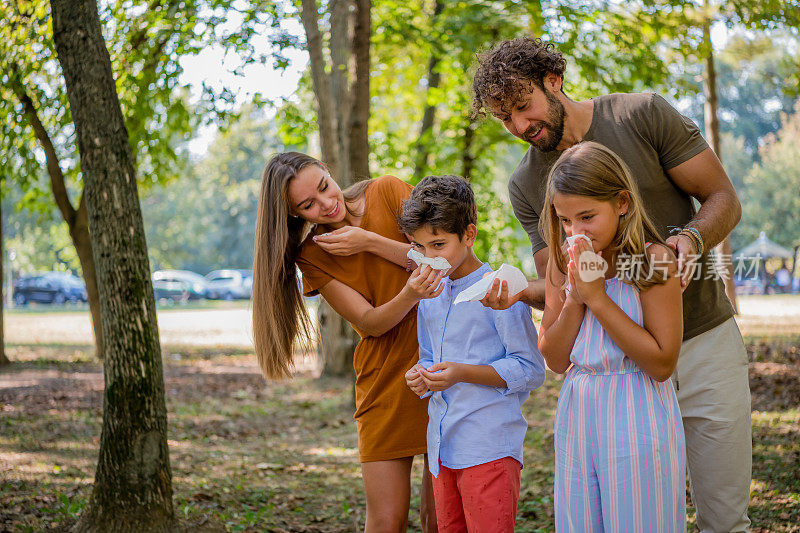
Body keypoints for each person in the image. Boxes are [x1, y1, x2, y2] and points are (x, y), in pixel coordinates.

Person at [472, 37, 752, 532]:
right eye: (505, 118)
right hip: (616, 380)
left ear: (553, 82)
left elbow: (723, 197)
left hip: (702, 340)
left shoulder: (640, 114)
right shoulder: (526, 184)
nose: (519, 126)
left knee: (724, 518)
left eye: (523, 106)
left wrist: (687, 241)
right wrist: (517, 293)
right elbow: (559, 284)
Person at [252, 152, 442, 532]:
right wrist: (410, 294)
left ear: (327, 169)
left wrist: (369, 241)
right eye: (308, 204)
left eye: (324, 186)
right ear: (294, 214)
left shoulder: (388, 192)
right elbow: (371, 323)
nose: (326, 203)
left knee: (441, 518)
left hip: (445, 368)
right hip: (385, 380)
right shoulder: (313, 255)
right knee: (386, 521)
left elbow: (442, 257)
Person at [538, 141, 685, 530]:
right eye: (565, 220)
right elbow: (554, 359)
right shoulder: (561, 259)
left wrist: (597, 298)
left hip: (636, 409)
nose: (574, 232)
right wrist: (575, 297)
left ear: (622, 202)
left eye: (586, 216)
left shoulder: (653, 261)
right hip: (579, 409)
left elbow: (661, 363)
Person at [399, 175, 546, 532]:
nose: (429, 258)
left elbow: (530, 369)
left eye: (438, 245)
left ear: (469, 235)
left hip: (489, 446)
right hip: (442, 446)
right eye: (420, 247)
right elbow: (430, 355)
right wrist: (420, 374)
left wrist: (462, 373)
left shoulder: (499, 290)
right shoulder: (429, 294)